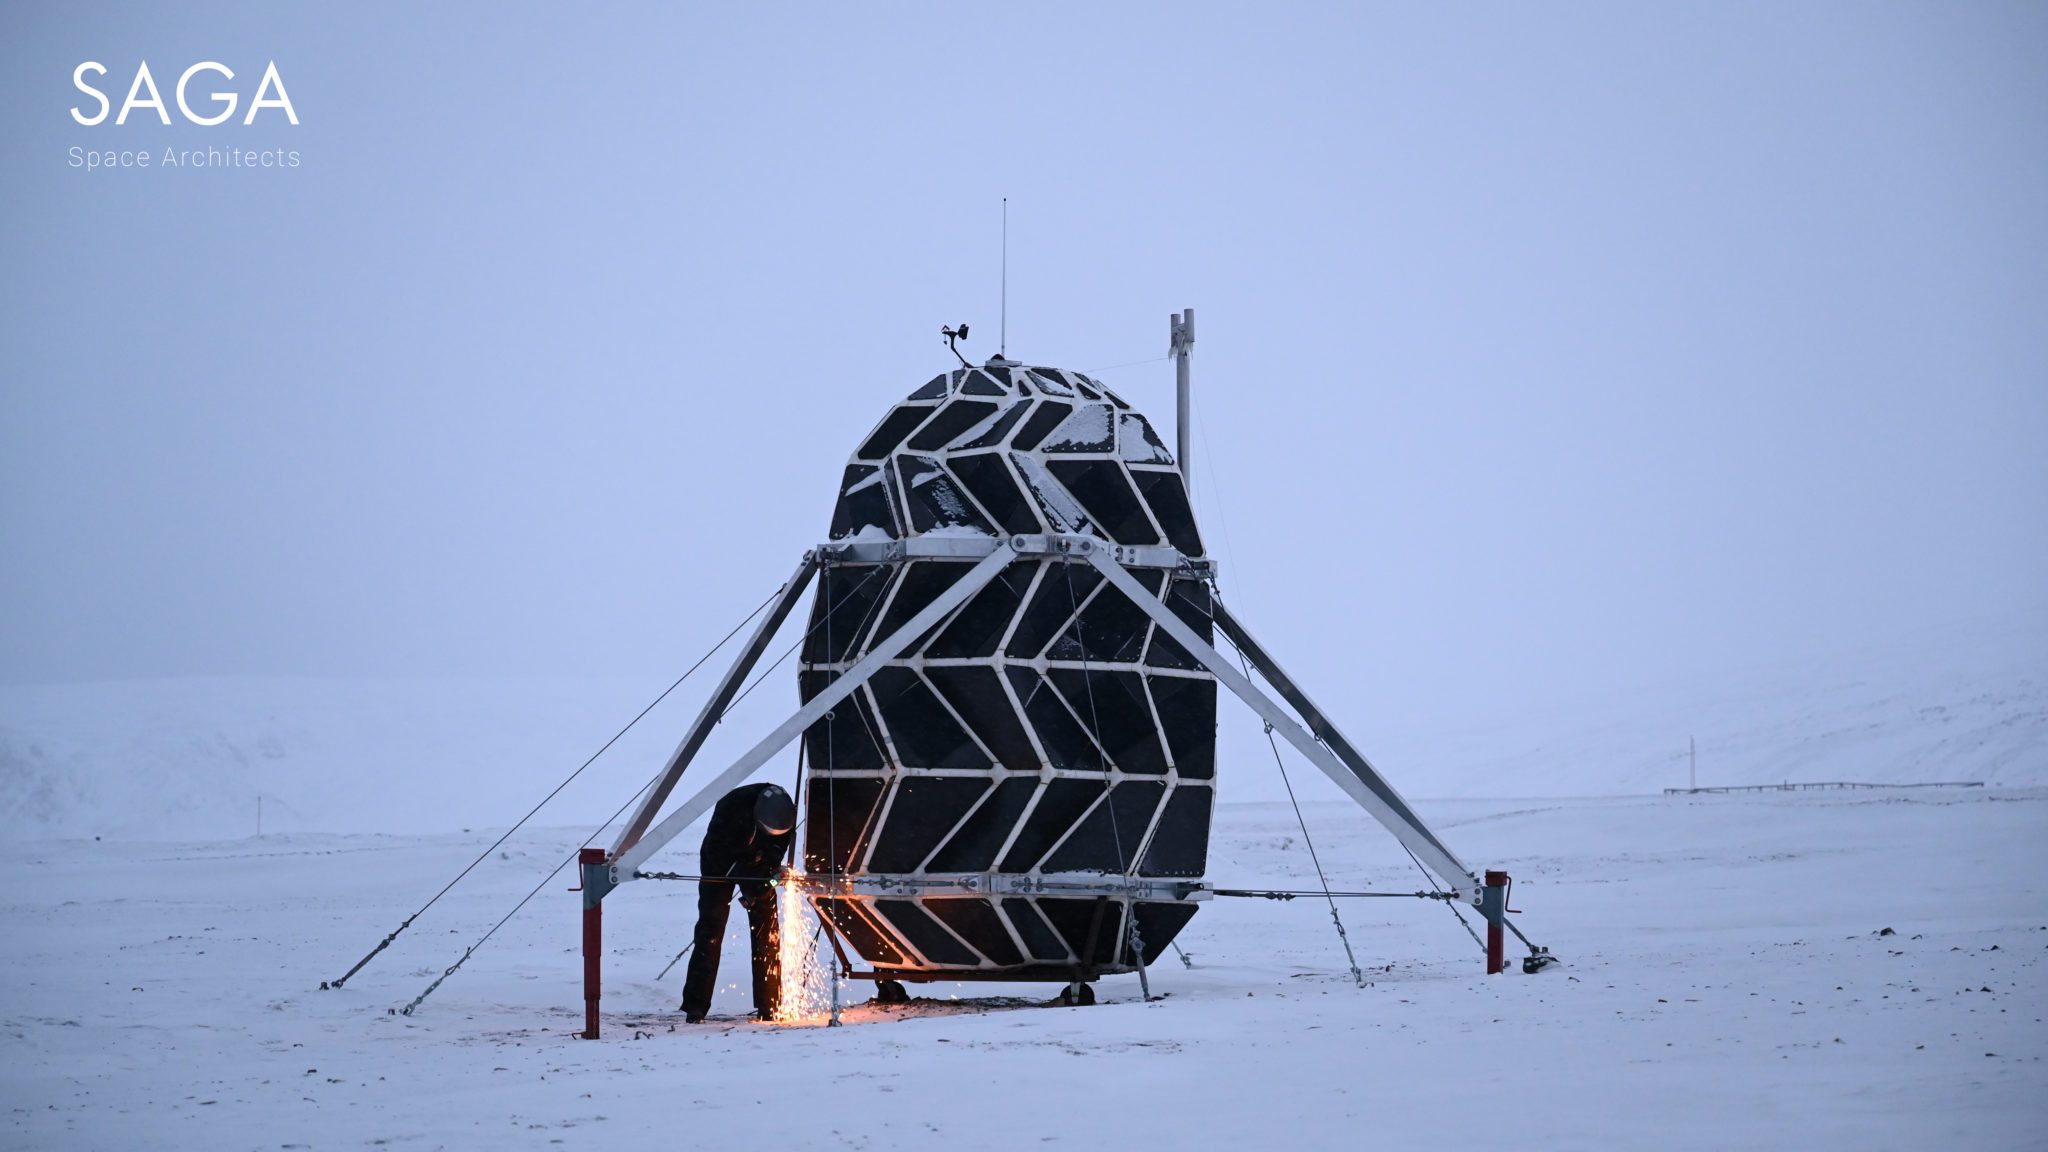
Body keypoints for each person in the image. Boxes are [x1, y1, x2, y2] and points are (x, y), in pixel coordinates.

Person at [681, 782, 797, 1023]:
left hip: (757, 863)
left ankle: (770, 1005)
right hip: (719, 862)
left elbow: (776, 849)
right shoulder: (732, 809)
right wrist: (748, 875)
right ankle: (696, 1005)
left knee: (768, 934)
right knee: (710, 931)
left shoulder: (785, 816)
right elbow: (721, 855)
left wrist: (767, 874)